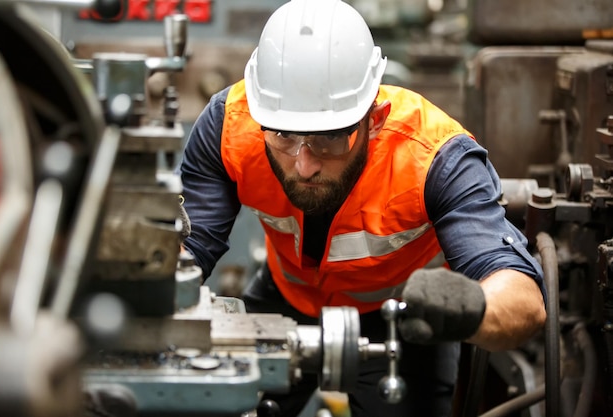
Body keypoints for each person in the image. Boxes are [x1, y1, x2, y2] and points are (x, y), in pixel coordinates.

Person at [178, 0, 547, 416]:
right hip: (285, 299)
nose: (304, 163)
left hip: (400, 318)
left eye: (329, 138)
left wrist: (468, 309)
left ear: (374, 116)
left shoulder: (435, 158)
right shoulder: (229, 128)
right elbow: (188, 252)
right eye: (283, 135)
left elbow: (523, 299)